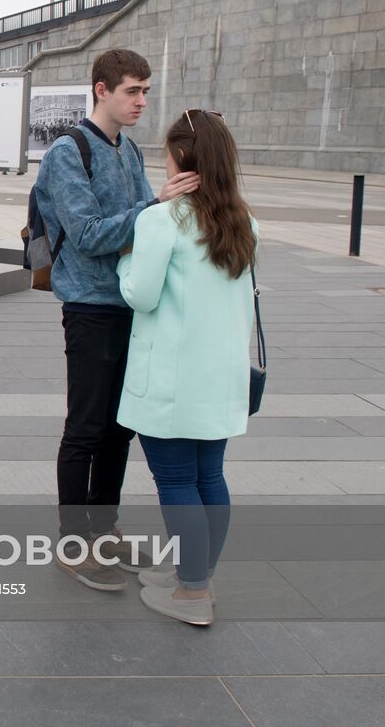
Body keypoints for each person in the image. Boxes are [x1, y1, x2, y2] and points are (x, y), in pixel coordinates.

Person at [35, 49, 200, 592]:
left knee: (118, 428)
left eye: (147, 91)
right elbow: (85, 234)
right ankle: (72, 540)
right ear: (101, 89)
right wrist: (154, 205)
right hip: (87, 306)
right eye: (133, 91)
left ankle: (103, 529)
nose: (142, 102)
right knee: (84, 427)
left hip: (131, 303)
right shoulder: (68, 151)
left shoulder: (128, 150)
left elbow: (142, 233)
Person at [117, 109, 257, 626]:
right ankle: (194, 576)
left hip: (172, 380)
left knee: (175, 481)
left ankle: (192, 594)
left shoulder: (160, 220)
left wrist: (125, 261)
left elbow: (141, 294)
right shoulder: (245, 221)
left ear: (180, 157)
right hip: (221, 376)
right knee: (210, 478)